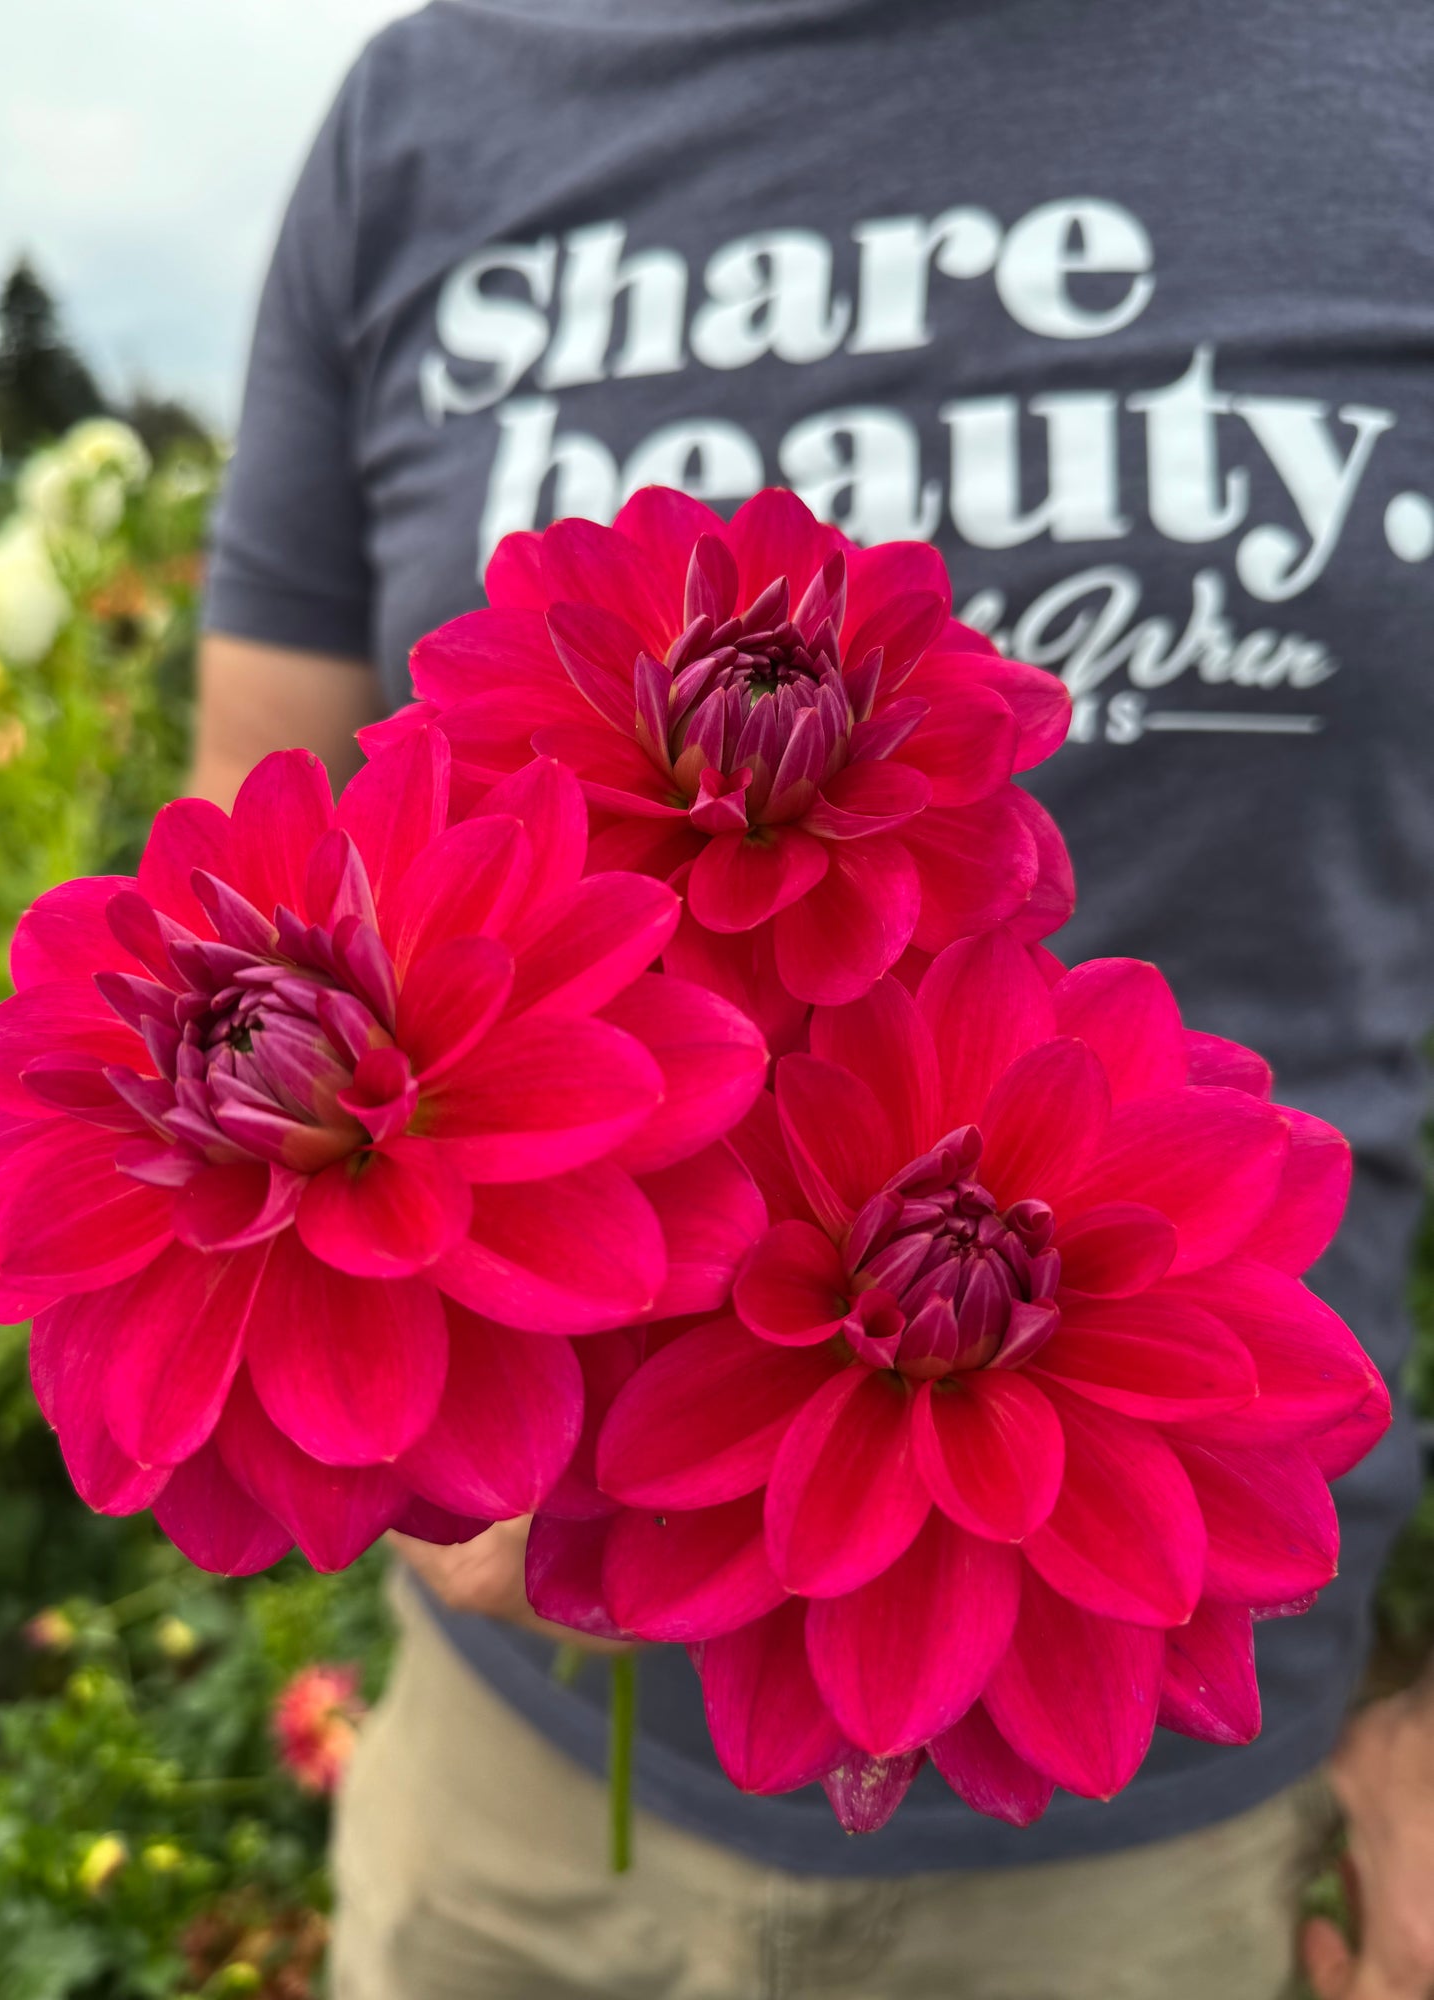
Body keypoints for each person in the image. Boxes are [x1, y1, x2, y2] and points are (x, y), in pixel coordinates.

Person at [196, 2, 1434, 1993]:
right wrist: (418, 1366)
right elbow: (257, 832)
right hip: (508, 1797)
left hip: (1175, 1813)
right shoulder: (432, 108)